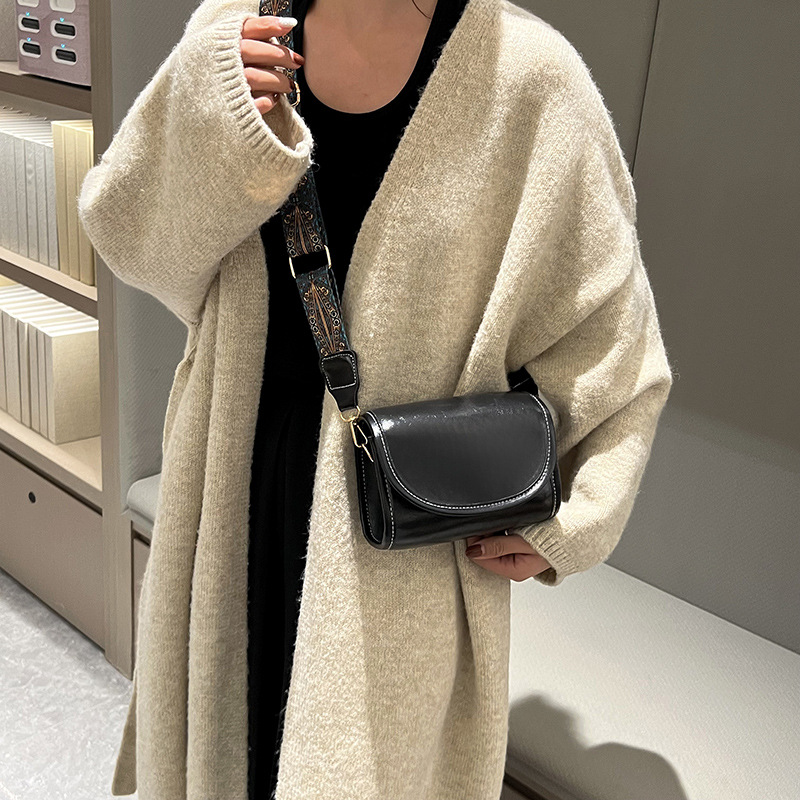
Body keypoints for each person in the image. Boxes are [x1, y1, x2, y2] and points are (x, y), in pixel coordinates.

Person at [77, 0, 674, 796]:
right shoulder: (238, 34)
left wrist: (575, 519)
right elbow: (130, 240)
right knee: (229, 755)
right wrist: (206, 117)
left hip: (400, 532)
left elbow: (614, 342)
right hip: (231, 486)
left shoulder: (529, 78)